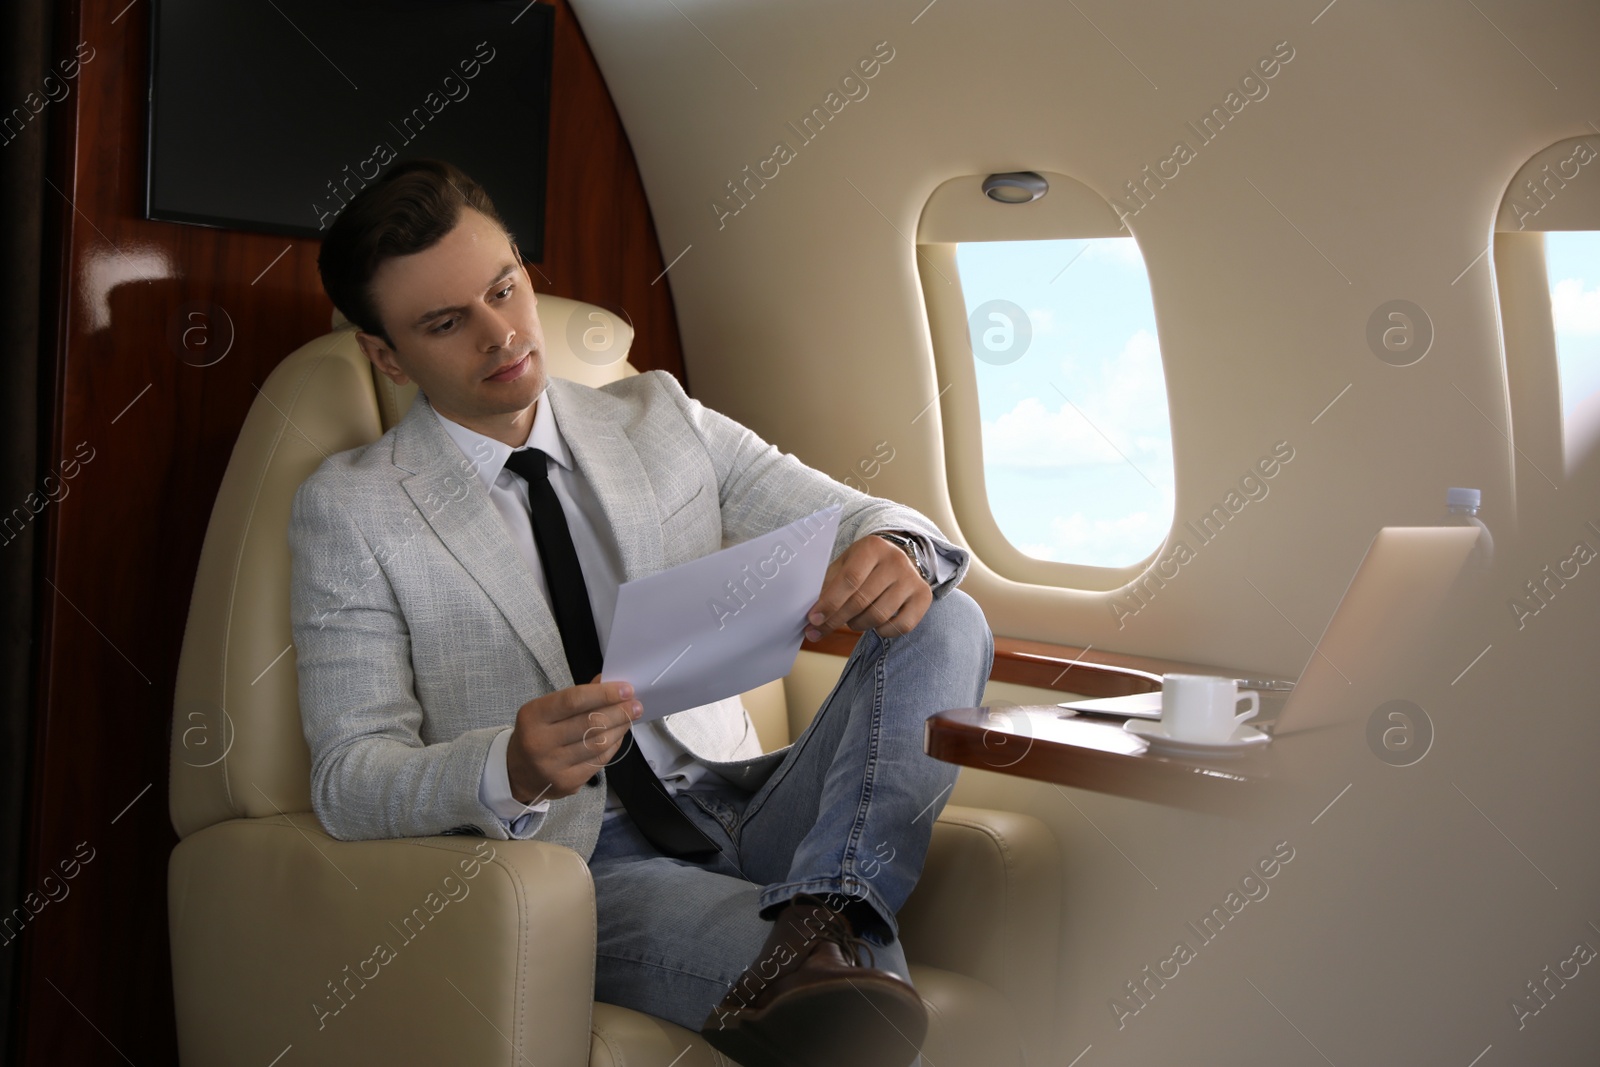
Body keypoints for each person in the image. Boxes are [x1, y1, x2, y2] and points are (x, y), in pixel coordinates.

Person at [291, 158, 993, 1067]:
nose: (501, 334)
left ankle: (827, 902)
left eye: (505, 289)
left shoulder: (657, 413)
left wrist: (894, 551)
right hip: (587, 865)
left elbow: (870, 515)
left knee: (945, 607)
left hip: (748, 803)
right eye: (446, 322)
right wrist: (509, 764)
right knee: (853, 991)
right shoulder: (350, 509)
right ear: (388, 355)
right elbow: (349, 777)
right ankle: (831, 929)